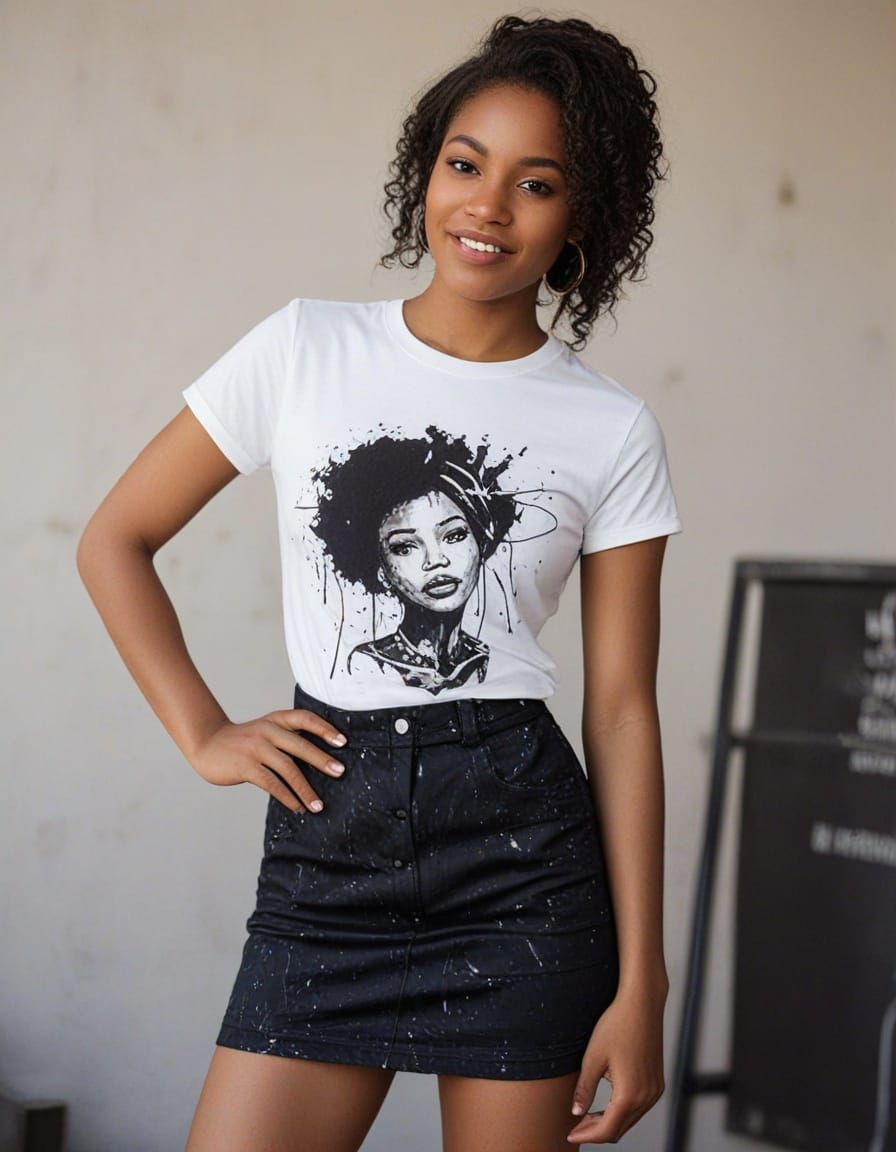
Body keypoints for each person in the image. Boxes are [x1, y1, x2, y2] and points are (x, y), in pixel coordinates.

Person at [76, 13, 683, 1151]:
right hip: (328, 850)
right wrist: (201, 731)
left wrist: (641, 980)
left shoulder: (609, 428)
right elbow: (112, 538)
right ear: (425, 171)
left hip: (523, 874)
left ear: (583, 216)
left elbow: (619, 708)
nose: (486, 206)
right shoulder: (304, 348)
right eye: (464, 164)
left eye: (535, 183)